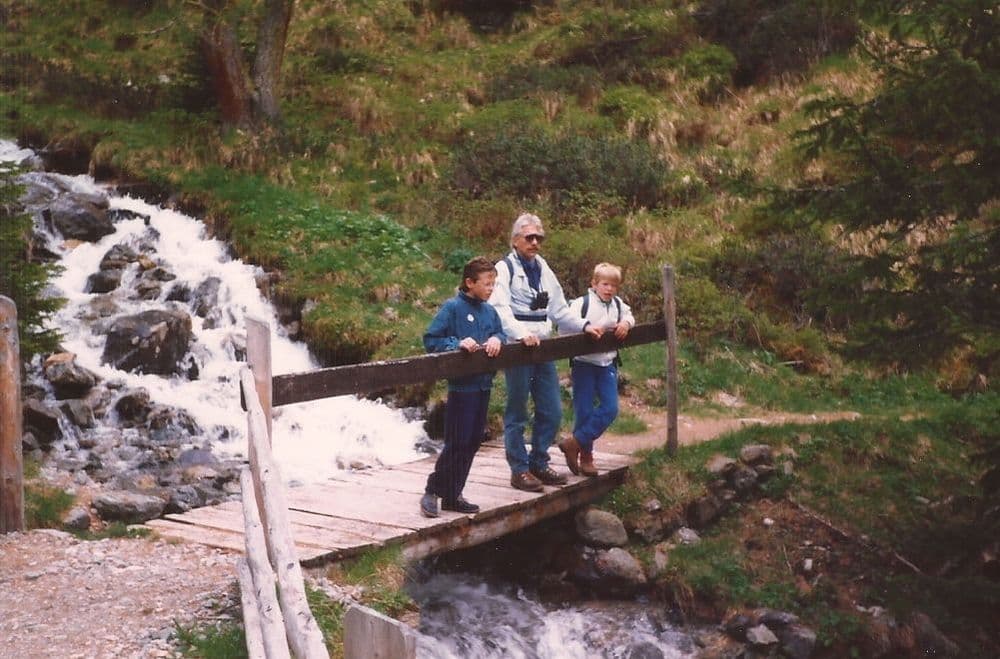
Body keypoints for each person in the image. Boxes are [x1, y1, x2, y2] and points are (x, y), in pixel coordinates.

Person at [489, 213, 599, 491]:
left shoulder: (543, 268)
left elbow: (559, 309)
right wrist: (520, 334)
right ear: (516, 240)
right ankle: (519, 469)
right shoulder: (504, 269)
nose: (535, 242)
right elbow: (499, 309)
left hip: (543, 348)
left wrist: (584, 325)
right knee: (517, 410)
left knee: (551, 409)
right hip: (518, 348)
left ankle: (539, 460)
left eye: (539, 237)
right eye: (529, 237)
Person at [420, 257, 506, 518]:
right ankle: (432, 491)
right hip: (461, 389)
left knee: (472, 441)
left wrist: (496, 339)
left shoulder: (490, 312)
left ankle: (453, 494)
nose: (491, 289)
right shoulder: (452, 308)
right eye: (487, 283)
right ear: (470, 282)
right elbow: (431, 338)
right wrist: (456, 343)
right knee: (457, 441)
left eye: (494, 284)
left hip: (483, 385)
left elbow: (500, 333)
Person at [557, 262, 635, 477]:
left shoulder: (618, 305)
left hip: (607, 363)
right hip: (584, 363)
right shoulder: (582, 304)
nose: (609, 289)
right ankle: (586, 458)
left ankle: (574, 443)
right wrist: (585, 328)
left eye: (614, 286)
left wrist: (626, 324)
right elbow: (565, 324)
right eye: (605, 284)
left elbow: (630, 315)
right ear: (594, 284)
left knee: (610, 408)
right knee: (584, 410)